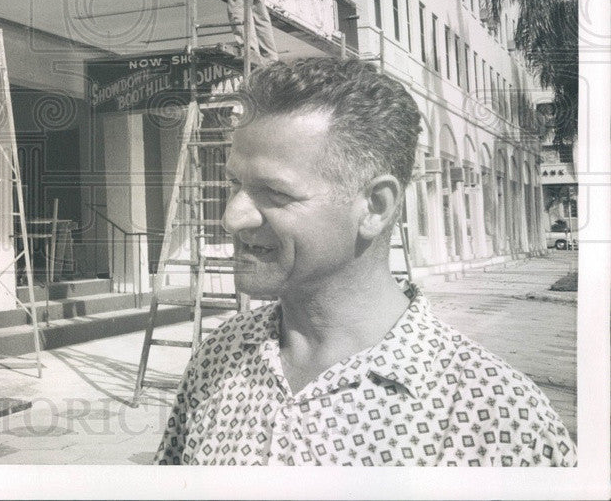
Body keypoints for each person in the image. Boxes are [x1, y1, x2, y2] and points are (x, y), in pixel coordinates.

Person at [155, 57, 576, 466]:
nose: (231, 217)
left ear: (375, 206)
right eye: (235, 184)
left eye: (274, 192)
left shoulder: (500, 419)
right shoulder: (218, 357)